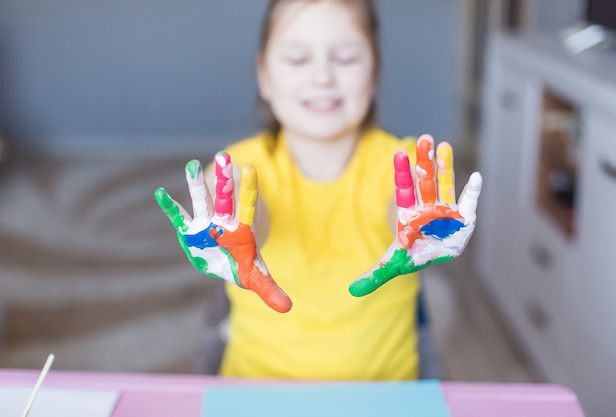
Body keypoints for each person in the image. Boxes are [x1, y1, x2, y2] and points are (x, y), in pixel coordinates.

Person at [155, 0, 482, 380]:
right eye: (297, 59)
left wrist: (423, 223)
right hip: (256, 391)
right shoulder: (243, 165)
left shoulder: (401, 162)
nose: (323, 76)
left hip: (383, 395)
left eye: (345, 58)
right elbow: (243, 208)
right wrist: (222, 224)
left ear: (374, 72)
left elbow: (404, 209)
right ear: (263, 75)